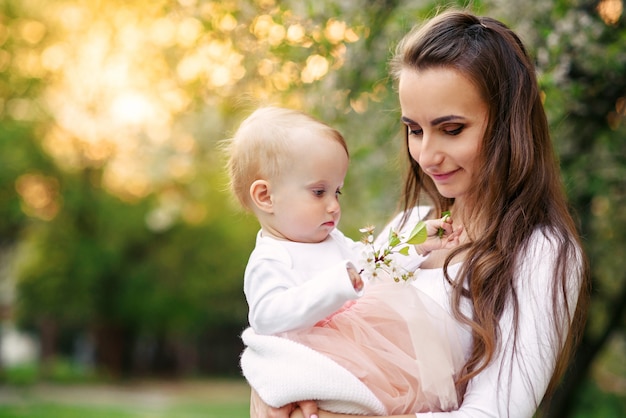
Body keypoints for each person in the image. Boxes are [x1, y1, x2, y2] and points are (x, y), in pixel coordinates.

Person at [249, 8, 590, 418]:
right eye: (414, 129)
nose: (427, 155)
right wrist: (269, 396)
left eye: (451, 129)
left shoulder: (542, 251)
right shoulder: (410, 225)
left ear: (506, 124)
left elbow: (495, 412)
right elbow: (320, 330)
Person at [226, 106, 465, 416]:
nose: (333, 206)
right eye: (318, 192)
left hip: (359, 353)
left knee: (383, 398)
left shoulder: (333, 240)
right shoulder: (270, 258)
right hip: (315, 358)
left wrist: (417, 243)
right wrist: (335, 286)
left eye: (337, 191)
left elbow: (374, 268)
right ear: (266, 197)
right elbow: (267, 316)